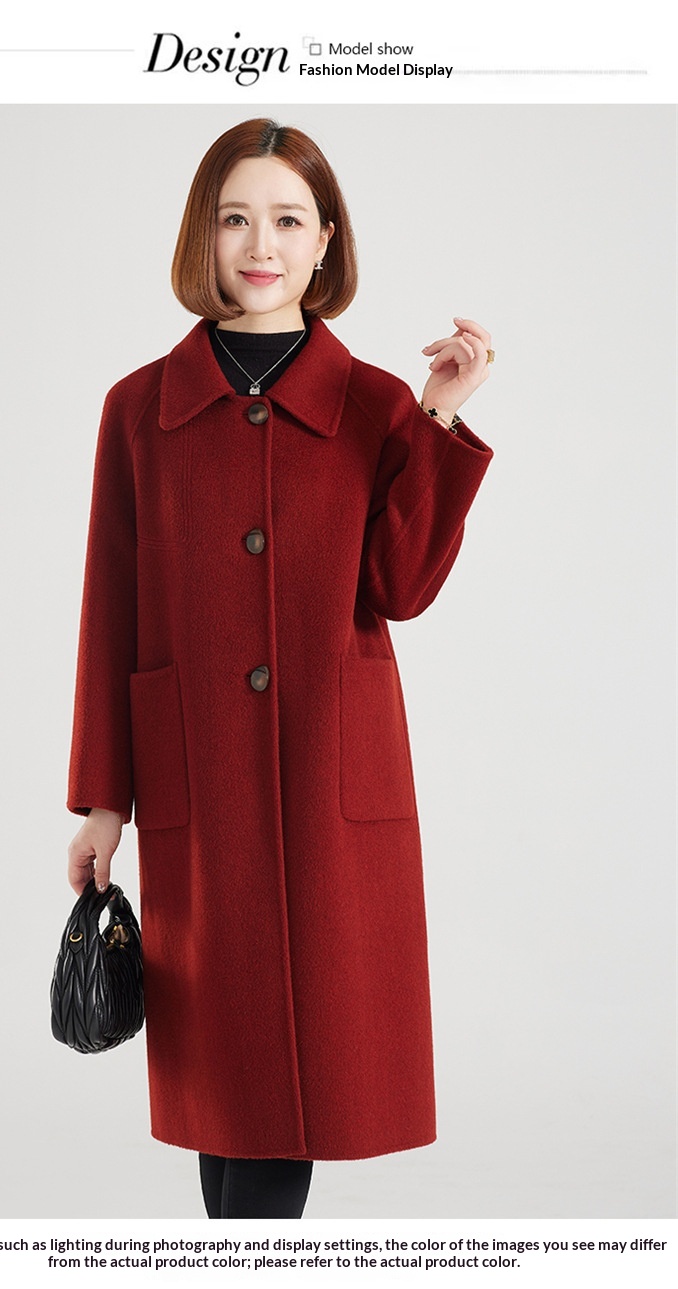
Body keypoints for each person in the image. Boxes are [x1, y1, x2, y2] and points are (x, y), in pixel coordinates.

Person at [66, 118, 493, 1219]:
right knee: (230, 1090)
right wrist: (104, 800)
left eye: (289, 220)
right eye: (236, 218)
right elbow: (110, 610)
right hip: (201, 794)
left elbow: (400, 585)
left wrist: (438, 414)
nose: (262, 244)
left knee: (282, 1094)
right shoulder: (138, 411)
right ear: (203, 236)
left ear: (325, 241)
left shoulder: (377, 407)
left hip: (327, 788)